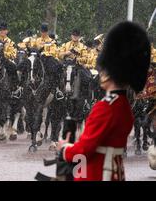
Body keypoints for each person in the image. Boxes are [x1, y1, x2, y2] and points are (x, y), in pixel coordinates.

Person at [57, 21, 151, 181]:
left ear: (112, 71)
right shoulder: (124, 106)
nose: (101, 73)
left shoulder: (105, 107)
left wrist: (65, 148)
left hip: (97, 175)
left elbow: (84, 150)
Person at [0, 23, 21, 98]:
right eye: (0, 30)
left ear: (7, 31)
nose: (2, 32)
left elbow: (13, 53)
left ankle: (14, 88)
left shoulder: (10, 42)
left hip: (5, 60)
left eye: (3, 30)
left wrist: (4, 54)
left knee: (13, 67)